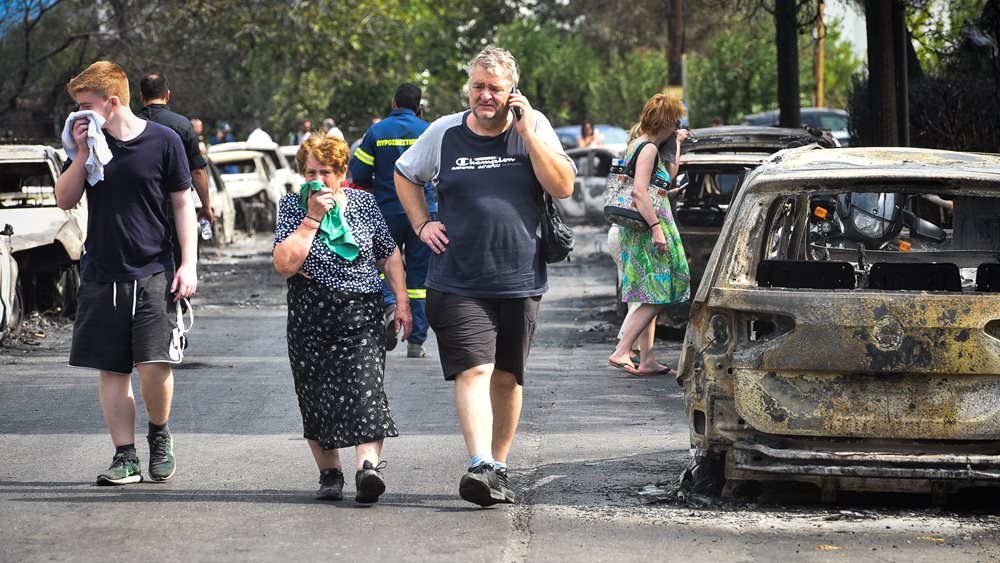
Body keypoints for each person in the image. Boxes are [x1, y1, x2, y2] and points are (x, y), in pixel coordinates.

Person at [394, 47, 575, 507]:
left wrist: (527, 133)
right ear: (468, 88)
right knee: (474, 369)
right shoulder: (444, 132)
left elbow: (563, 186)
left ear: (512, 91)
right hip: (457, 278)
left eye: (495, 88)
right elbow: (404, 174)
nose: (485, 95)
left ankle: (498, 465)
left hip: (519, 277)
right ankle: (479, 463)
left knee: (509, 377)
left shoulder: (534, 127)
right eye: (478, 86)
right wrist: (421, 224)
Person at [54, 61, 197, 485]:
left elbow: (182, 204)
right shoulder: (90, 145)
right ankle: (125, 456)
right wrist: (81, 153)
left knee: (154, 365)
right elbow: (64, 199)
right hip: (101, 270)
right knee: (112, 369)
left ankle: (159, 435)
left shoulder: (164, 141)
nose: (78, 114)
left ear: (112, 103)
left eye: (86, 106)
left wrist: (188, 263)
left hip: (155, 269)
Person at [273, 134, 412, 503]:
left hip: (361, 311)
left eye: (326, 172)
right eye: (311, 172)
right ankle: (329, 474)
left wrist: (402, 301)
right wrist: (312, 219)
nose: (317, 180)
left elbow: (388, 254)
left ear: (343, 173)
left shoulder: (365, 204)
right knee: (315, 394)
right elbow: (284, 264)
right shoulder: (291, 206)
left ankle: (366, 469)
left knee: (364, 388)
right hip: (309, 312)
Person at [348, 83, 435, 358]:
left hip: (387, 211)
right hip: (424, 214)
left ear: (394, 103)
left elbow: (358, 172)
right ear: (418, 108)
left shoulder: (377, 131)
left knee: (384, 264)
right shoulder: (430, 131)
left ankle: (388, 305)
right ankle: (416, 341)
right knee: (420, 278)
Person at [607, 94, 691, 377]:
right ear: (666, 121)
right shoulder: (647, 149)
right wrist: (657, 229)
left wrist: (675, 145)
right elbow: (639, 192)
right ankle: (622, 350)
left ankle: (647, 360)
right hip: (648, 230)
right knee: (659, 292)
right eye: (674, 121)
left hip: (642, 227)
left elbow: (660, 181)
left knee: (651, 292)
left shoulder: (638, 145)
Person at [138, 72, 213, 265]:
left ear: (141, 96)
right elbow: (197, 171)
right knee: (180, 266)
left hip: (140, 214)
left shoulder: (131, 125)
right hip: (175, 212)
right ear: (167, 94)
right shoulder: (181, 125)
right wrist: (205, 207)